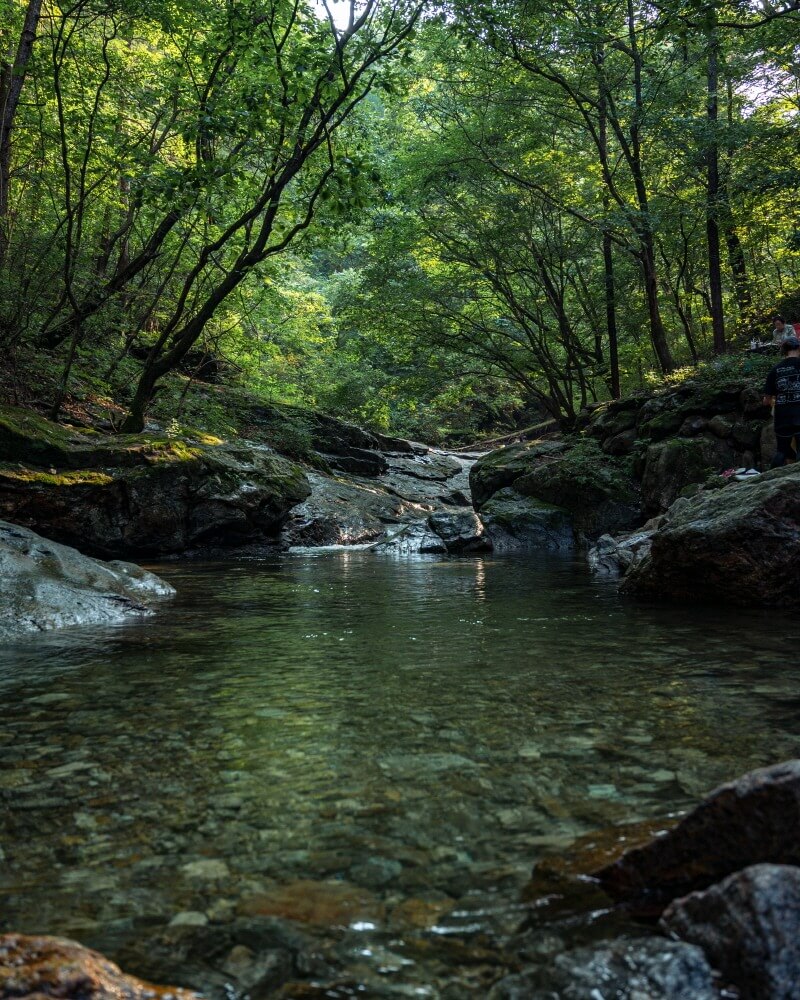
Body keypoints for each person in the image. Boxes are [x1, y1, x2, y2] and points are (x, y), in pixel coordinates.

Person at [763, 336, 800, 468]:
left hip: (782, 417)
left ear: (784, 351)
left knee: (782, 451)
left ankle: (769, 480)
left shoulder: (775, 370)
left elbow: (767, 400)